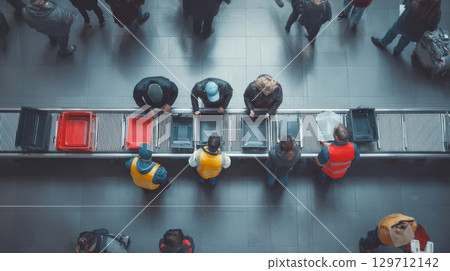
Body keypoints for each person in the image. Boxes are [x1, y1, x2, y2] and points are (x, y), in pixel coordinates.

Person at [371, 0, 441, 56]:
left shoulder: (414, 4)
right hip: (415, 33)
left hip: (402, 25)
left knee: (392, 32)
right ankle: (397, 51)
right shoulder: (436, 14)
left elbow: (405, 3)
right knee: (405, 40)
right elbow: (431, 28)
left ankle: (382, 43)